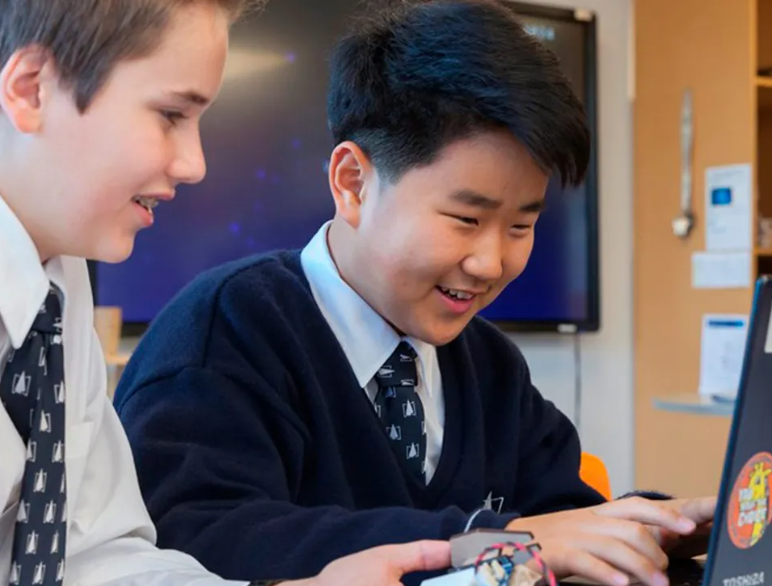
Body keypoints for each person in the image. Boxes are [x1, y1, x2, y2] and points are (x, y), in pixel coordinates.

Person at [112, 2, 716, 586]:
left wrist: (651, 531)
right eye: (465, 219)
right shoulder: (226, 332)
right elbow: (197, 539)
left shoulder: (490, 364)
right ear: (352, 182)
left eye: (521, 226)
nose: (491, 262)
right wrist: (495, 543)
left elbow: (560, 518)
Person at [0, 0, 450, 584]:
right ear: (31, 90)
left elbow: (95, 556)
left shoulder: (53, 288)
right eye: (170, 115)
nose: (194, 164)